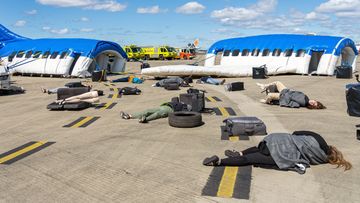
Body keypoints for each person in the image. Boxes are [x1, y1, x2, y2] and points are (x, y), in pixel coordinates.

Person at [203, 131, 352, 174]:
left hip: (277, 139)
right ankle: (219, 162)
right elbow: (304, 158)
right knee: (252, 159)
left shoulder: (318, 138)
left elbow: (297, 132)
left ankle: (240, 152)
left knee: (262, 147)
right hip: (284, 154)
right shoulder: (321, 158)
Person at [256, 81, 325, 109]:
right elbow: (294, 93)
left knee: (270, 95)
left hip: (283, 95)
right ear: (315, 100)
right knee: (277, 82)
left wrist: (283, 95)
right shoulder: (306, 98)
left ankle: (266, 101)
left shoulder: (304, 102)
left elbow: (291, 99)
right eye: (315, 102)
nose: (313, 103)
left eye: (313, 105)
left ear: (311, 106)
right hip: (286, 91)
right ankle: (264, 86)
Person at [120, 97, 188, 123]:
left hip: (170, 110)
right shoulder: (176, 100)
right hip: (164, 106)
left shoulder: (185, 106)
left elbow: (186, 112)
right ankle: (129, 116)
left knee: (157, 114)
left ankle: (145, 119)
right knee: (147, 111)